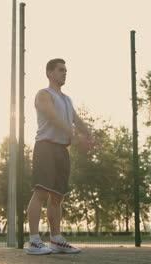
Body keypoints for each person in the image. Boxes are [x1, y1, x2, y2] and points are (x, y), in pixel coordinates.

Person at [26, 58, 96, 255]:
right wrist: (75, 136)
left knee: (58, 196)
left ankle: (56, 240)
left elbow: (76, 119)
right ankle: (33, 241)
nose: (64, 73)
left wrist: (90, 135)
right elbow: (52, 118)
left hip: (61, 150)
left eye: (65, 70)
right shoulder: (43, 94)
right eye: (60, 70)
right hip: (45, 147)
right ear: (49, 73)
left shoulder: (67, 99)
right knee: (40, 192)